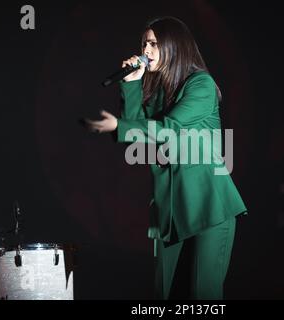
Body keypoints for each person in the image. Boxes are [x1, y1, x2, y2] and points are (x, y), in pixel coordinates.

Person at [85, 16, 247, 300]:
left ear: (175, 46)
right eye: (144, 43)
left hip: (208, 204)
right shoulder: (159, 90)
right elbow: (137, 133)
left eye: (154, 43)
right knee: (165, 294)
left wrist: (119, 127)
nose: (145, 50)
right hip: (171, 209)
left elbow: (168, 129)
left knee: (203, 295)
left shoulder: (201, 86)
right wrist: (132, 84)